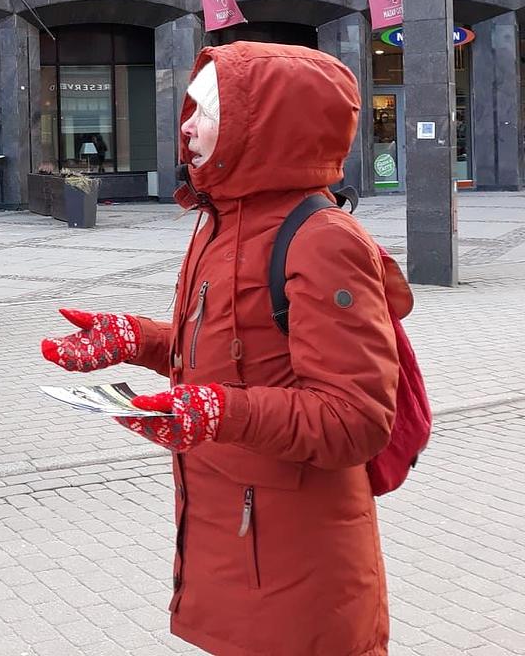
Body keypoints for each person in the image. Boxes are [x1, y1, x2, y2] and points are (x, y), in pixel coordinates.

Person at [42, 41, 404, 656]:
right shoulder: (218, 219)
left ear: (261, 127)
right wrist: (141, 340)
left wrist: (218, 411)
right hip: (230, 534)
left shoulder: (322, 240)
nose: (186, 124)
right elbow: (235, 351)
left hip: (299, 565)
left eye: (207, 110)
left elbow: (357, 420)